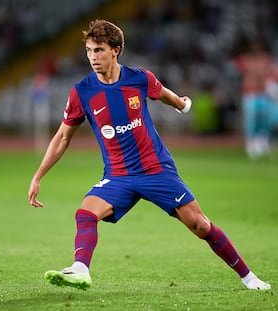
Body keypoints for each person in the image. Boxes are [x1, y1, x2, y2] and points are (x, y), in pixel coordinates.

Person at [28, 20, 271, 291]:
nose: (92, 57)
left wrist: (181, 104)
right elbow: (62, 137)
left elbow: (163, 93)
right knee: (85, 213)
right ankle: (80, 269)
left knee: (200, 225)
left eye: (99, 50)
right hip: (118, 176)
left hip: (156, 171)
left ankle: (250, 278)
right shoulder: (82, 91)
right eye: (89, 50)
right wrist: (38, 176)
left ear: (116, 50)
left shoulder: (139, 78)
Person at [234, 38, 276, 159]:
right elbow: (239, 69)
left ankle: (262, 142)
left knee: (264, 118)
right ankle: (250, 142)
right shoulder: (244, 59)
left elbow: (272, 73)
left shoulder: (266, 58)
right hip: (250, 93)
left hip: (263, 93)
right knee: (252, 118)